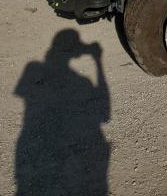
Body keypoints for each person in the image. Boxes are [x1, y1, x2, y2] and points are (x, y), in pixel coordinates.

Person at [14, 29, 110, 196]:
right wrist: (98, 61)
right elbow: (105, 115)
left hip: (40, 149)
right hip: (78, 159)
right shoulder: (83, 82)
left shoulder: (33, 69)